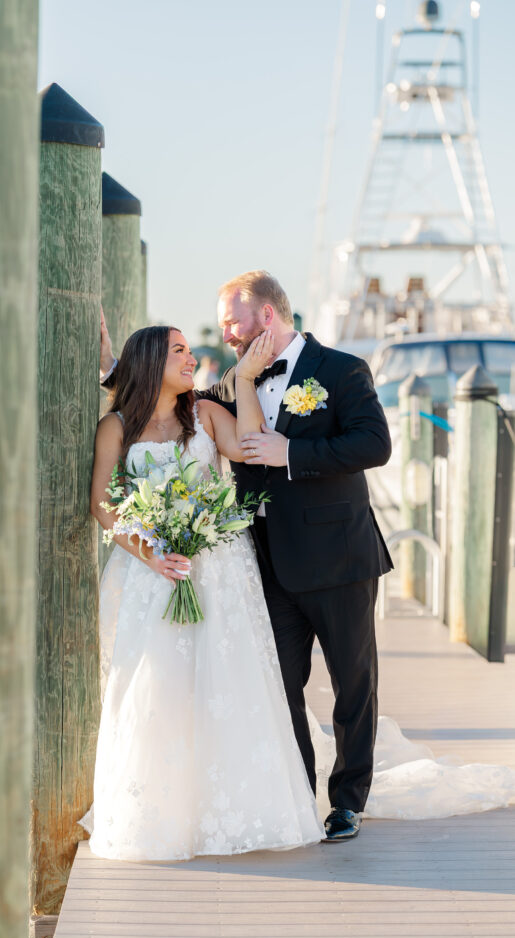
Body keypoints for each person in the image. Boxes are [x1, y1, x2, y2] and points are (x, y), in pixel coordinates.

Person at [100, 272, 394, 842]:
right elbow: (161, 406)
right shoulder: (233, 381)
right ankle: (297, 796)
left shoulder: (341, 370)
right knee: (277, 685)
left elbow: (374, 444)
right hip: (266, 564)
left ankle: (348, 801)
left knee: (353, 683)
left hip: (338, 556)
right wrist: (113, 365)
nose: (226, 333)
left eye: (230, 321)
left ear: (265, 316)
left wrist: (294, 452)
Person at [86, 324, 325, 860]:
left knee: (228, 683)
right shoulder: (116, 428)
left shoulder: (206, 415)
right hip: (152, 573)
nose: (191, 359)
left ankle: (234, 808)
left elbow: (251, 445)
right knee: (158, 689)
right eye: (179, 351)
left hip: (217, 569)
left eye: (191, 351)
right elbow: (102, 503)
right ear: (151, 361)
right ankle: (166, 814)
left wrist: (241, 379)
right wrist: (151, 552)